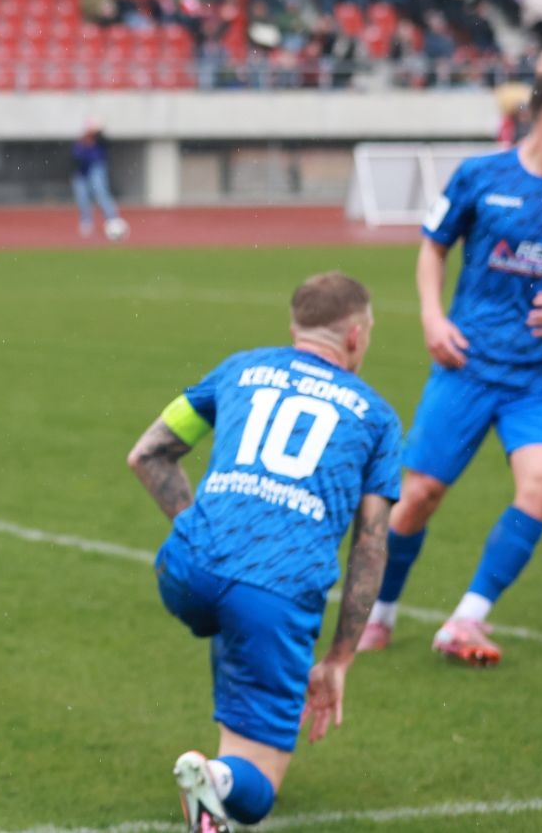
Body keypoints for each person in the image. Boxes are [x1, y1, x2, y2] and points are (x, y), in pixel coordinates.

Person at [361, 68, 542, 665]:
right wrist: (431, 316)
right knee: (419, 494)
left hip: (541, 378)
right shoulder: (481, 175)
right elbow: (433, 245)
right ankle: (381, 612)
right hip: (468, 364)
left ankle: (465, 620)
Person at [127, 272, 399, 833]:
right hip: (273, 593)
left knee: (232, 609)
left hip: (184, 567)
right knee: (258, 788)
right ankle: (222, 782)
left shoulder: (240, 368)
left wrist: (205, 533)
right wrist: (340, 658)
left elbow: (148, 454)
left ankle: (213, 788)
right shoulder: (377, 418)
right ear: (354, 336)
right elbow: (370, 545)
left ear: (294, 329)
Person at [72, 119, 126, 239]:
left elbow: (106, 146)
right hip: (82, 173)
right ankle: (86, 222)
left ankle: (112, 219)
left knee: (101, 193)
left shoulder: (100, 140)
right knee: (82, 198)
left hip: (96, 169)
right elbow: (76, 156)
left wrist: (96, 135)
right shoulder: (81, 142)